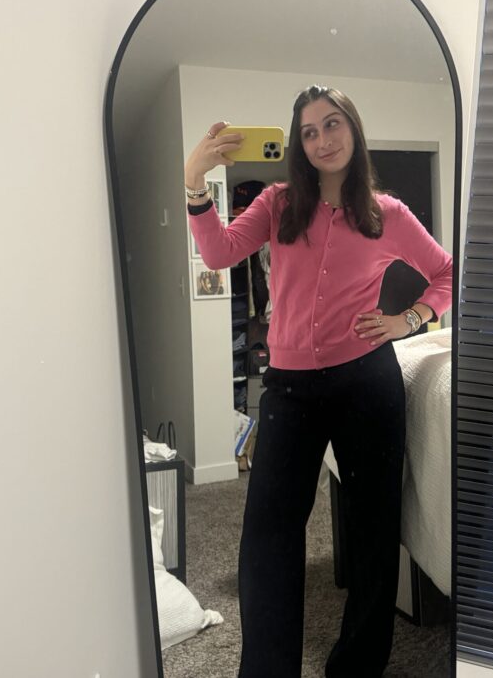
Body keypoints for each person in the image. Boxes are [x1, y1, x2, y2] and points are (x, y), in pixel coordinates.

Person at [183, 85, 453, 678]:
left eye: (331, 125)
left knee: (373, 533)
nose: (321, 139)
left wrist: (409, 320)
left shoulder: (388, 215)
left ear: (353, 132)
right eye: (308, 131)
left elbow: (448, 275)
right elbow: (221, 252)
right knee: (267, 537)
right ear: (298, 145)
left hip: (367, 384)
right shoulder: (279, 204)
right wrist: (197, 183)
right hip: (290, 390)